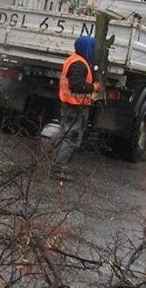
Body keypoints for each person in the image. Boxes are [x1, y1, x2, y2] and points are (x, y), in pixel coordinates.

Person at [51, 35, 99, 182]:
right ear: (88, 48)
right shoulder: (80, 64)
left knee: (63, 134)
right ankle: (59, 168)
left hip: (70, 105)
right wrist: (93, 87)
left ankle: (56, 164)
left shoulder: (75, 59)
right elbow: (76, 84)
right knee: (70, 138)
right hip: (75, 107)